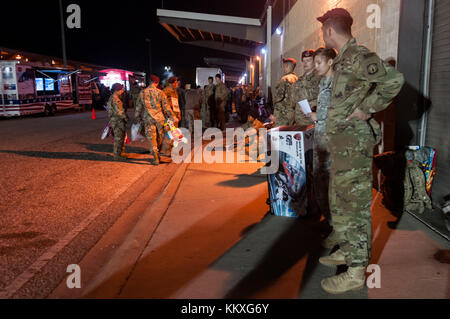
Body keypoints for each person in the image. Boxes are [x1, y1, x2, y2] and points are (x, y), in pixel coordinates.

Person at [316, 8, 404, 294]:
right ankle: (347, 249)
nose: (322, 34)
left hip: (354, 146)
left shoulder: (358, 56)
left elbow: (394, 81)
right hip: (342, 145)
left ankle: (355, 271)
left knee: (353, 207)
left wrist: (367, 108)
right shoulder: (343, 60)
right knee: (340, 201)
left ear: (329, 30)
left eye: (323, 30)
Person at [302, 48, 337, 233]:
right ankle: (328, 218)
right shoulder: (324, 82)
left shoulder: (338, 83)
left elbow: (340, 112)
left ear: (330, 62)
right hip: (320, 137)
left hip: (330, 139)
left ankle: (335, 224)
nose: (315, 67)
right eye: (314, 63)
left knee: (329, 180)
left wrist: (318, 115)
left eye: (319, 63)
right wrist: (314, 112)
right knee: (318, 178)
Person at [135, 75, 176, 165]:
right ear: (157, 83)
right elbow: (166, 107)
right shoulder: (160, 92)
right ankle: (158, 153)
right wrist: (173, 116)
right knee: (159, 137)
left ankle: (155, 158)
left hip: (148, 119)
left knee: (151, 139)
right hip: (159, 119)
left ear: (150, 81)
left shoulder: (142, 93)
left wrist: (137, 118)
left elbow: (138, 107)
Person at [290, 50, 322, 126]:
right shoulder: (299, 80)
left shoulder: (320, 78)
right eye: (303, 61)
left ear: (314, 62)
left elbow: (324, 97)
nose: (305, 63)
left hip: (312, 122)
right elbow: (292, 101)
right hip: (299, 122)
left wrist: (312, 104)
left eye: (308, 60)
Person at [272, 58, 298, 127]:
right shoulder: (297, 79)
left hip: (282, 114)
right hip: (292, 113)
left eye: (284, 66)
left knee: (278, 134)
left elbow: (278, 97)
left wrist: (274, 110)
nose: (284, 68)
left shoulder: (284, 79)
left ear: (286, 66)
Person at [107, 83, 129, 161]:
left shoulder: (115, 97)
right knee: (118, 138)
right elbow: (119, 111)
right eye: (121, 89)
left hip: (117, 120)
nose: (122, 91)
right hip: (117, 120)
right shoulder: (115, 98)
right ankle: (117, 155)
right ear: (117, 90)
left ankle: (120, 153)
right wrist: (125, 117)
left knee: (121, 137)